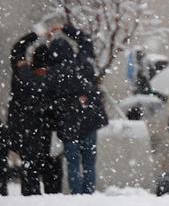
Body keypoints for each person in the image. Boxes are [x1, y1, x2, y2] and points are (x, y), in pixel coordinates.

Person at [46, 23, 108, 195]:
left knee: (73, 163)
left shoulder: (53, 74)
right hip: (89, 118)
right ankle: (88, 194)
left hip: (68, 123)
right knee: (89, 162)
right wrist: (66, 28)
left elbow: (51, 100)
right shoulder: (83, 63)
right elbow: (85, 40)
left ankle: (76, 195)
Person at [8, 36, 62, 195]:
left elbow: (17, 50)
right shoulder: (52, 80)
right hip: (46, 131)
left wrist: (35, 35)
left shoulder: (22, 74)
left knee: (29, 165)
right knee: (50, 165)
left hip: (24, 129)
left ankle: (31, 197)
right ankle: (53, 197)